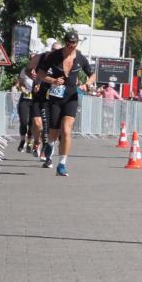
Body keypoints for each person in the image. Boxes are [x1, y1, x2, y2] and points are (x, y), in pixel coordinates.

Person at [36, 30, 95, 176]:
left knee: (67, 130)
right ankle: (50, 144)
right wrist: (53, 80)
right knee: (54, 133)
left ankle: (62, 164)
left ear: (77, 43)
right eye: (68, 44)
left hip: (71, 97)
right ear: (65, 43)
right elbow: (40, 73)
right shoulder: (54, 56)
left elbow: (92, 74)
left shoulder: (80, 58)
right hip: (56, 98)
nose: (71, 47)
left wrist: (87, 84)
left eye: (73, 44)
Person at [15, 64, 35, 152]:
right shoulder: (25, 70)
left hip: (36, 100)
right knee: (24, 121)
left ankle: (30, 142)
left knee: (32, 123)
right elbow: (20, 83)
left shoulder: (42, 70)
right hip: (25, 99)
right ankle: (22, 140)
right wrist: (22, 88)